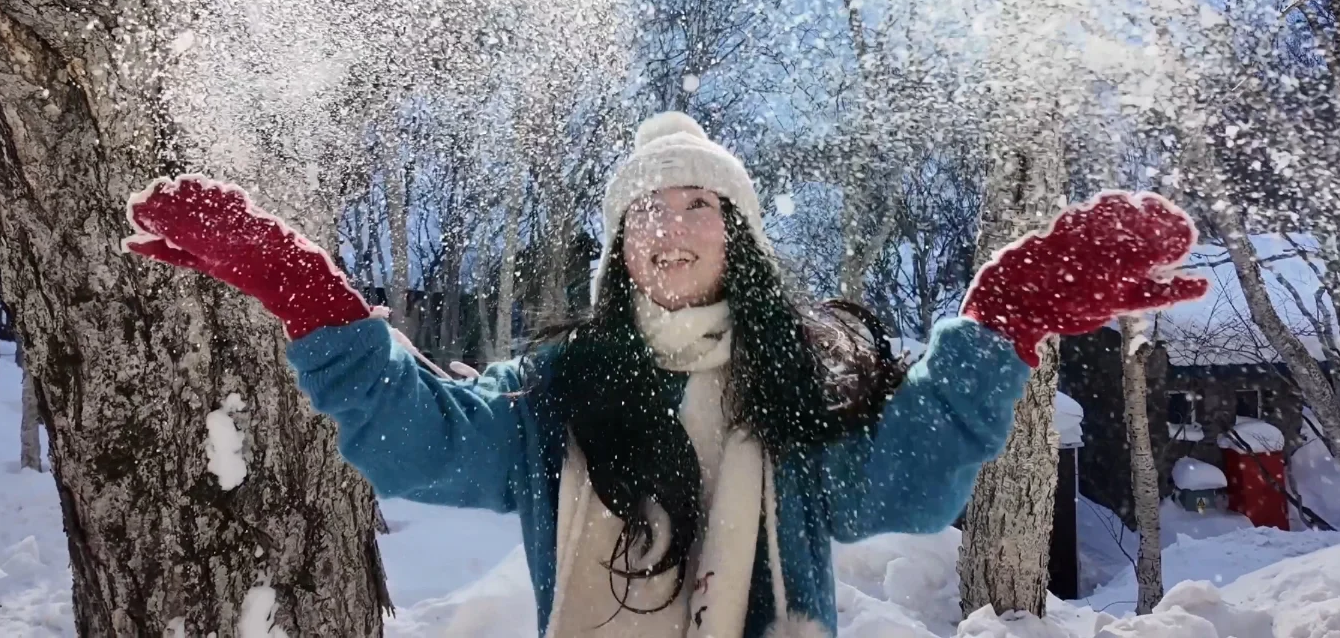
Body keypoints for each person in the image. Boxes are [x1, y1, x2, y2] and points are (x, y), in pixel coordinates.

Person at [124, 112, 1207, 638]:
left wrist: (1000, 323)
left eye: (698, 205)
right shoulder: (557, 395)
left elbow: (910, 488)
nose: (671, 226)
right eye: (647, 209)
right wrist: (317, 308)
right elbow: (423, 444)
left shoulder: (792, 388)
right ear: (621, 250)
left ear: (738, 235)